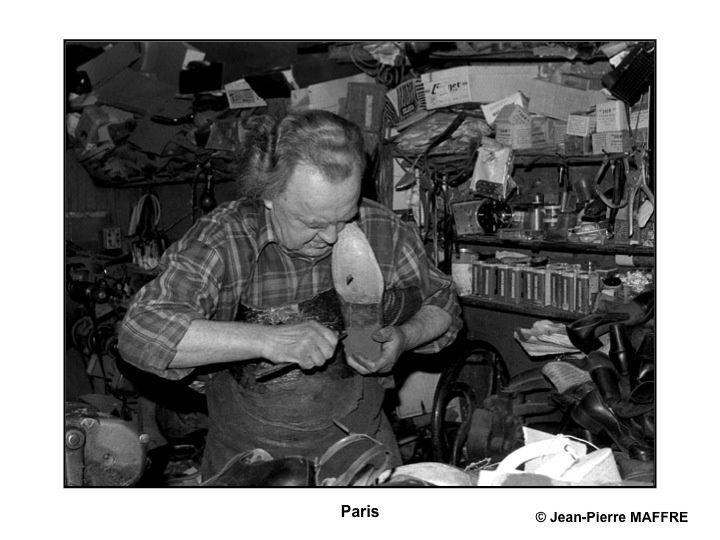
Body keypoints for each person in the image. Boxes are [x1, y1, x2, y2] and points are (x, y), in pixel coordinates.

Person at [118, 110, 462, 479]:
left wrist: (405, 337)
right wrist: (270, 340)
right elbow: (141, 332)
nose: (331, 236)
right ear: (268, 194)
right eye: (312, 223)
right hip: (248, 467)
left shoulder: (381, 228)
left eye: (344, 217)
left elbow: (443, 305)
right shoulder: (226, 238)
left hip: (362, 456)